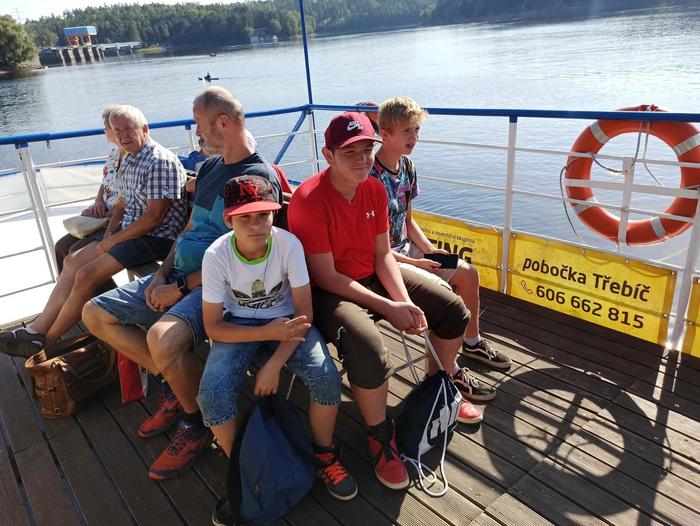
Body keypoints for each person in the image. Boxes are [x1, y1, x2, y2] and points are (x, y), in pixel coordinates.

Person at [82, 86, 282, 481]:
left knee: (161, 339)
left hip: (217, 286)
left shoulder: (256, 179)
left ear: (222, 123)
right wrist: (160, 275)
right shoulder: (209, 169)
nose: (196, 132)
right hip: (177, 274)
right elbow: (188, 230)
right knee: (94, 314)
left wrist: (179, 288)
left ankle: (194, 422)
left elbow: (244, 259)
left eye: (198, 124)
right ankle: (177, 387)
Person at [287, 112, 492, 491]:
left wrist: (403, 302)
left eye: (367, 150)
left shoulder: (375, 190)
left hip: (372, 274)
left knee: (451, 309)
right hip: (329, 291)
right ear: (328, 155)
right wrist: (388, 307)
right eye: (350, 153)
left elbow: (382, 255)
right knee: (368, 345)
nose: (363, 159)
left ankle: (437, 390)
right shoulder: (308, 201)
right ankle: (380, 437)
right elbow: (327, 276)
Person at [198, 175, 356, 510]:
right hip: (238, 324)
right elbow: (213, 326)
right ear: (228, 220)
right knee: (211, 394)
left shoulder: (288, 245)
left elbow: (304, 314)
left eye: (264, 214)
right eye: (245, 217)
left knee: (326, 378)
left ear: (275, 213)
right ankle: (246, 467)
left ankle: (323, 455)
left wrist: (274, 364)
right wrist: (267, 333)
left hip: (288, 321)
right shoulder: (216, 256)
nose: (256, 225)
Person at [0, 105, 188, 358]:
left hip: (156, 238)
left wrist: (114, 240)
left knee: (86, 275)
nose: (123, 135)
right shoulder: (131, 157)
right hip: (131, 231)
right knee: (72, 261)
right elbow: (124, 203)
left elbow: (154, 219)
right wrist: (111, 231)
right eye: (117, 130)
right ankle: (36, 330)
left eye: (129, 129)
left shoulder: (159, 161)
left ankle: (45, 344)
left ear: (144, 129)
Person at [370, 97, 512, 374]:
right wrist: (417, 263)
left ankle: (472, 342)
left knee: (468, 273)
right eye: (406, 131)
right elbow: (375, 248)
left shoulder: (407, 167)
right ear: (385, 135)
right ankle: (447, 370)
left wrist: (430, 251)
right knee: (444, 295)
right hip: (386, 260)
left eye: (417, 130)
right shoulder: (371, 178)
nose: (414, 137)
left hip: (407, 249)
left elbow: (408, 221)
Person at [53, 105, 125, 274]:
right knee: (61, 247)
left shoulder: (133, 157)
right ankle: (75, 288)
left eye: (106, 126)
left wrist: (103, 214)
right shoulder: (115, 153)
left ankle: (90, 289)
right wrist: (98, 202)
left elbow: (131, 203)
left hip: (119, 221)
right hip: (103, 217)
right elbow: (106, 182)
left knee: (75, 252)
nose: (105, 130)